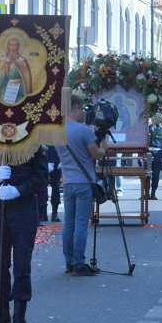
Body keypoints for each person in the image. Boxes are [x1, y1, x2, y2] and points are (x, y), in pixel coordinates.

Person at [0, 147, 47, 323]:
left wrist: (19, 190)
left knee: (22, 265)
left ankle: (20, 317)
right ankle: (2, 315)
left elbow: (41, 178)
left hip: (23, 207)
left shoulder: (33, 143)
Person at [57, 94, 110, 275]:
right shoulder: (83, 130)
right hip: (84, 182)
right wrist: (105, 145)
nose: (83, 114)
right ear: (75, 109)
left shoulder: (57, 130)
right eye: (81, 110)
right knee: (81, 223)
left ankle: (69, 262)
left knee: (68, 223)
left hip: (68, 182)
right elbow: (96, 155)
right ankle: (79, 263)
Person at [0, 38, 32, 105]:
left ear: (18, 47)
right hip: (5, 92)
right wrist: (4, 72)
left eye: (15, 45)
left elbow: (27, 80)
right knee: (2, 99)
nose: (13, 48)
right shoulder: (2, 61)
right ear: (8, 46)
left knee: (19, 101)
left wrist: (20, 80)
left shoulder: (22, 61)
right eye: (11, 45)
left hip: (19, 91)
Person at [148, 118, 162, 199]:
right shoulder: (147, 128)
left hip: (158, 153)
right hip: (148, 152)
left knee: (156, 175)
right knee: (146, 174)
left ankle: (153, 192)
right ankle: (146, 192)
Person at [46, 145, 62, 221]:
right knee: (42, 187)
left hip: (56, 159)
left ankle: (54, 213)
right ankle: (42, 213)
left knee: (56, 187)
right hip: (44, 159)